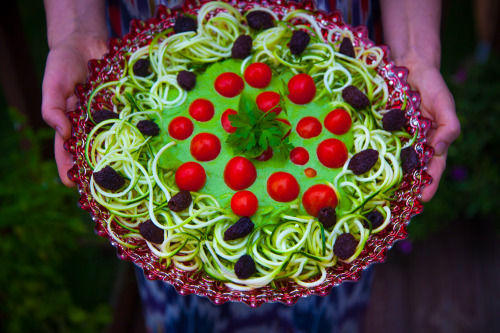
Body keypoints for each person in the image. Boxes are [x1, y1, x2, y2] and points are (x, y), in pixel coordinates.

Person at [42, 0, 460, 332]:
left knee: (325, 280)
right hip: (170, 38)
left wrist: (413, 53)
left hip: (321, 37)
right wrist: (77, 33)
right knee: (177, 271)